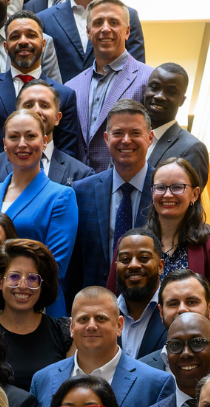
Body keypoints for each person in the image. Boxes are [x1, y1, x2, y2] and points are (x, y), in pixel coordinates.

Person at [29, 287, 175, 407]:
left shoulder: (156, 384)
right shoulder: (42, 380)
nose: (91, 325)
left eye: (101, 318)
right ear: (72, 327)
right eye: (83, 319)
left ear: (119, 325)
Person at [0, 111, 80, 314]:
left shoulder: (61, 196)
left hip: (36, 308)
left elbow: (53, 267)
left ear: (45, 141)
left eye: (30, 136)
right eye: (14, 137)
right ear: (5, 144)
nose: (22, 144)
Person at [67, 102, 156, 302]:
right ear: (106, 139)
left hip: (152, 308)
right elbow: (73, 265)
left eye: (135, 133)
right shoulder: (81, 192)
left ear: (150, 138)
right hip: (94, 309)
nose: (126, 140)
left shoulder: (165, 190)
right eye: (118, 133)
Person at [148, 157, 210, 346]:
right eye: (160, 187)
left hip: (196, 355)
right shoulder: (137, 244)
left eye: (177, 187)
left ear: (195, 194)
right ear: (152, 192)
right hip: (143, 358)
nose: (167, 195)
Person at [0, 11, 81, 156]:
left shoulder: (65, 95)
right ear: (6, 47)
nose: (23, 41)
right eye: (15, 36)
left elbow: (68, 153)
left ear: (43, 44)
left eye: (31, 35)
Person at [61, 0, 151, 172]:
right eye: (98, 23)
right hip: (80, 188)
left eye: (114, 22)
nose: (105, 29)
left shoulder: (148, 79)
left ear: (127, 31)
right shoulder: (71, 86)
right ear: (88, 32)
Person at [0, 239, 73, 384]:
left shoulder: (64, 332)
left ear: (42, 285)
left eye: (32, 278)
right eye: (14, 276)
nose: (23, 285)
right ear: (0, 282)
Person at [11, 82, 96, 186]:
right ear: (16, 114)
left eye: (44, 106)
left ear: (57, 118)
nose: (37, 111)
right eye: (28, 105)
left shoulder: (82, 175)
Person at [140, 64, 210, 187]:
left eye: (171, 92)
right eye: (154, 87)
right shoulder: (128, 139)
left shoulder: (192, 149)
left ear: (182, 101)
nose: (159, 96)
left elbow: (190, 202)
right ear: (145, 91)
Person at [112, 230, 168, 359]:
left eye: (144, 258)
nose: (133, 265)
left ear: (160, 266)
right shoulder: (103, 315)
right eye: (125, 259)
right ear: (116, 267)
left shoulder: (174, 313)